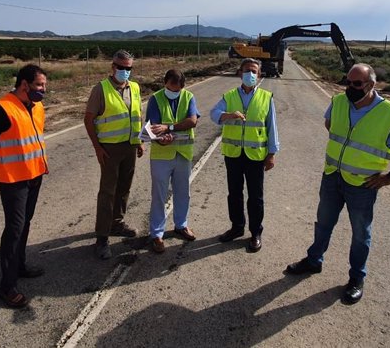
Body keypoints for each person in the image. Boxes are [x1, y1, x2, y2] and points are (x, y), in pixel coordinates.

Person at [285, 63, 390, 305]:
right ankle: (313, 261)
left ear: (371, 85)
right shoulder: (339, 101)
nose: (350, 87)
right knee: (323, 224)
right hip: (332, 175)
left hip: (362, 185)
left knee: (361, 234)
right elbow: (330, 124)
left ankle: (356, 279)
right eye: (348, 82)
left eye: (357, 84)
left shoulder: (389, 114)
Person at [0, 64, 49, 308]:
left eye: (44, 86)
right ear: (23, 84)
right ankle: (7, 287)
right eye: (39, 85)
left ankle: (20, 265)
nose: (43, 90)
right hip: (13, 180)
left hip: (34, 174)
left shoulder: (37, 106)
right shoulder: (0, 109)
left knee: (25, 223)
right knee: (14, 228)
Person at [210, 58, 279, 253]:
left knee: (256, 197)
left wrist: (271, 153)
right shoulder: (229, 95)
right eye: (247, 71)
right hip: (233, 154)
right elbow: (214, 114)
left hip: (255, 155)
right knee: (234, 193)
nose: (251, 74)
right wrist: (229, 115)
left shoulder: (266, 97)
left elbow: (271, 127)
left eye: (254, 71)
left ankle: (255, 232)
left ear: (259, 75)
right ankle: (237, 227)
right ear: (240, 73)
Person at [84, 50, 146, 260]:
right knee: (108, 192)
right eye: (121, 67)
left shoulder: (135, 87)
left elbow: (136, 115)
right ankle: (102, 238)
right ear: (113, 67)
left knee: (124, 188)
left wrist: (139, 141)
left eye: (129, 68)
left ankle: (116, 224)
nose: (125, 71)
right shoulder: (100, 89)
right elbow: (89, 119)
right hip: (109, 148)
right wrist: (97, 147)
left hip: (129, 145)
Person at [146, 69, 200, 253]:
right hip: (161, 156)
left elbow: (192, 121)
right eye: (171, 88)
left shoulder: (189, 97)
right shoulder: (156, 99)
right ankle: (157, 234)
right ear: (165, 83)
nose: (174, 92)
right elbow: (153, 127)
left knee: (183, 192)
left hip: (183, 154)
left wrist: (168, 127)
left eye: (177, 90)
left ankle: (181, 225)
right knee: (159, 196)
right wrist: (161, 139)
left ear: (182, 87)